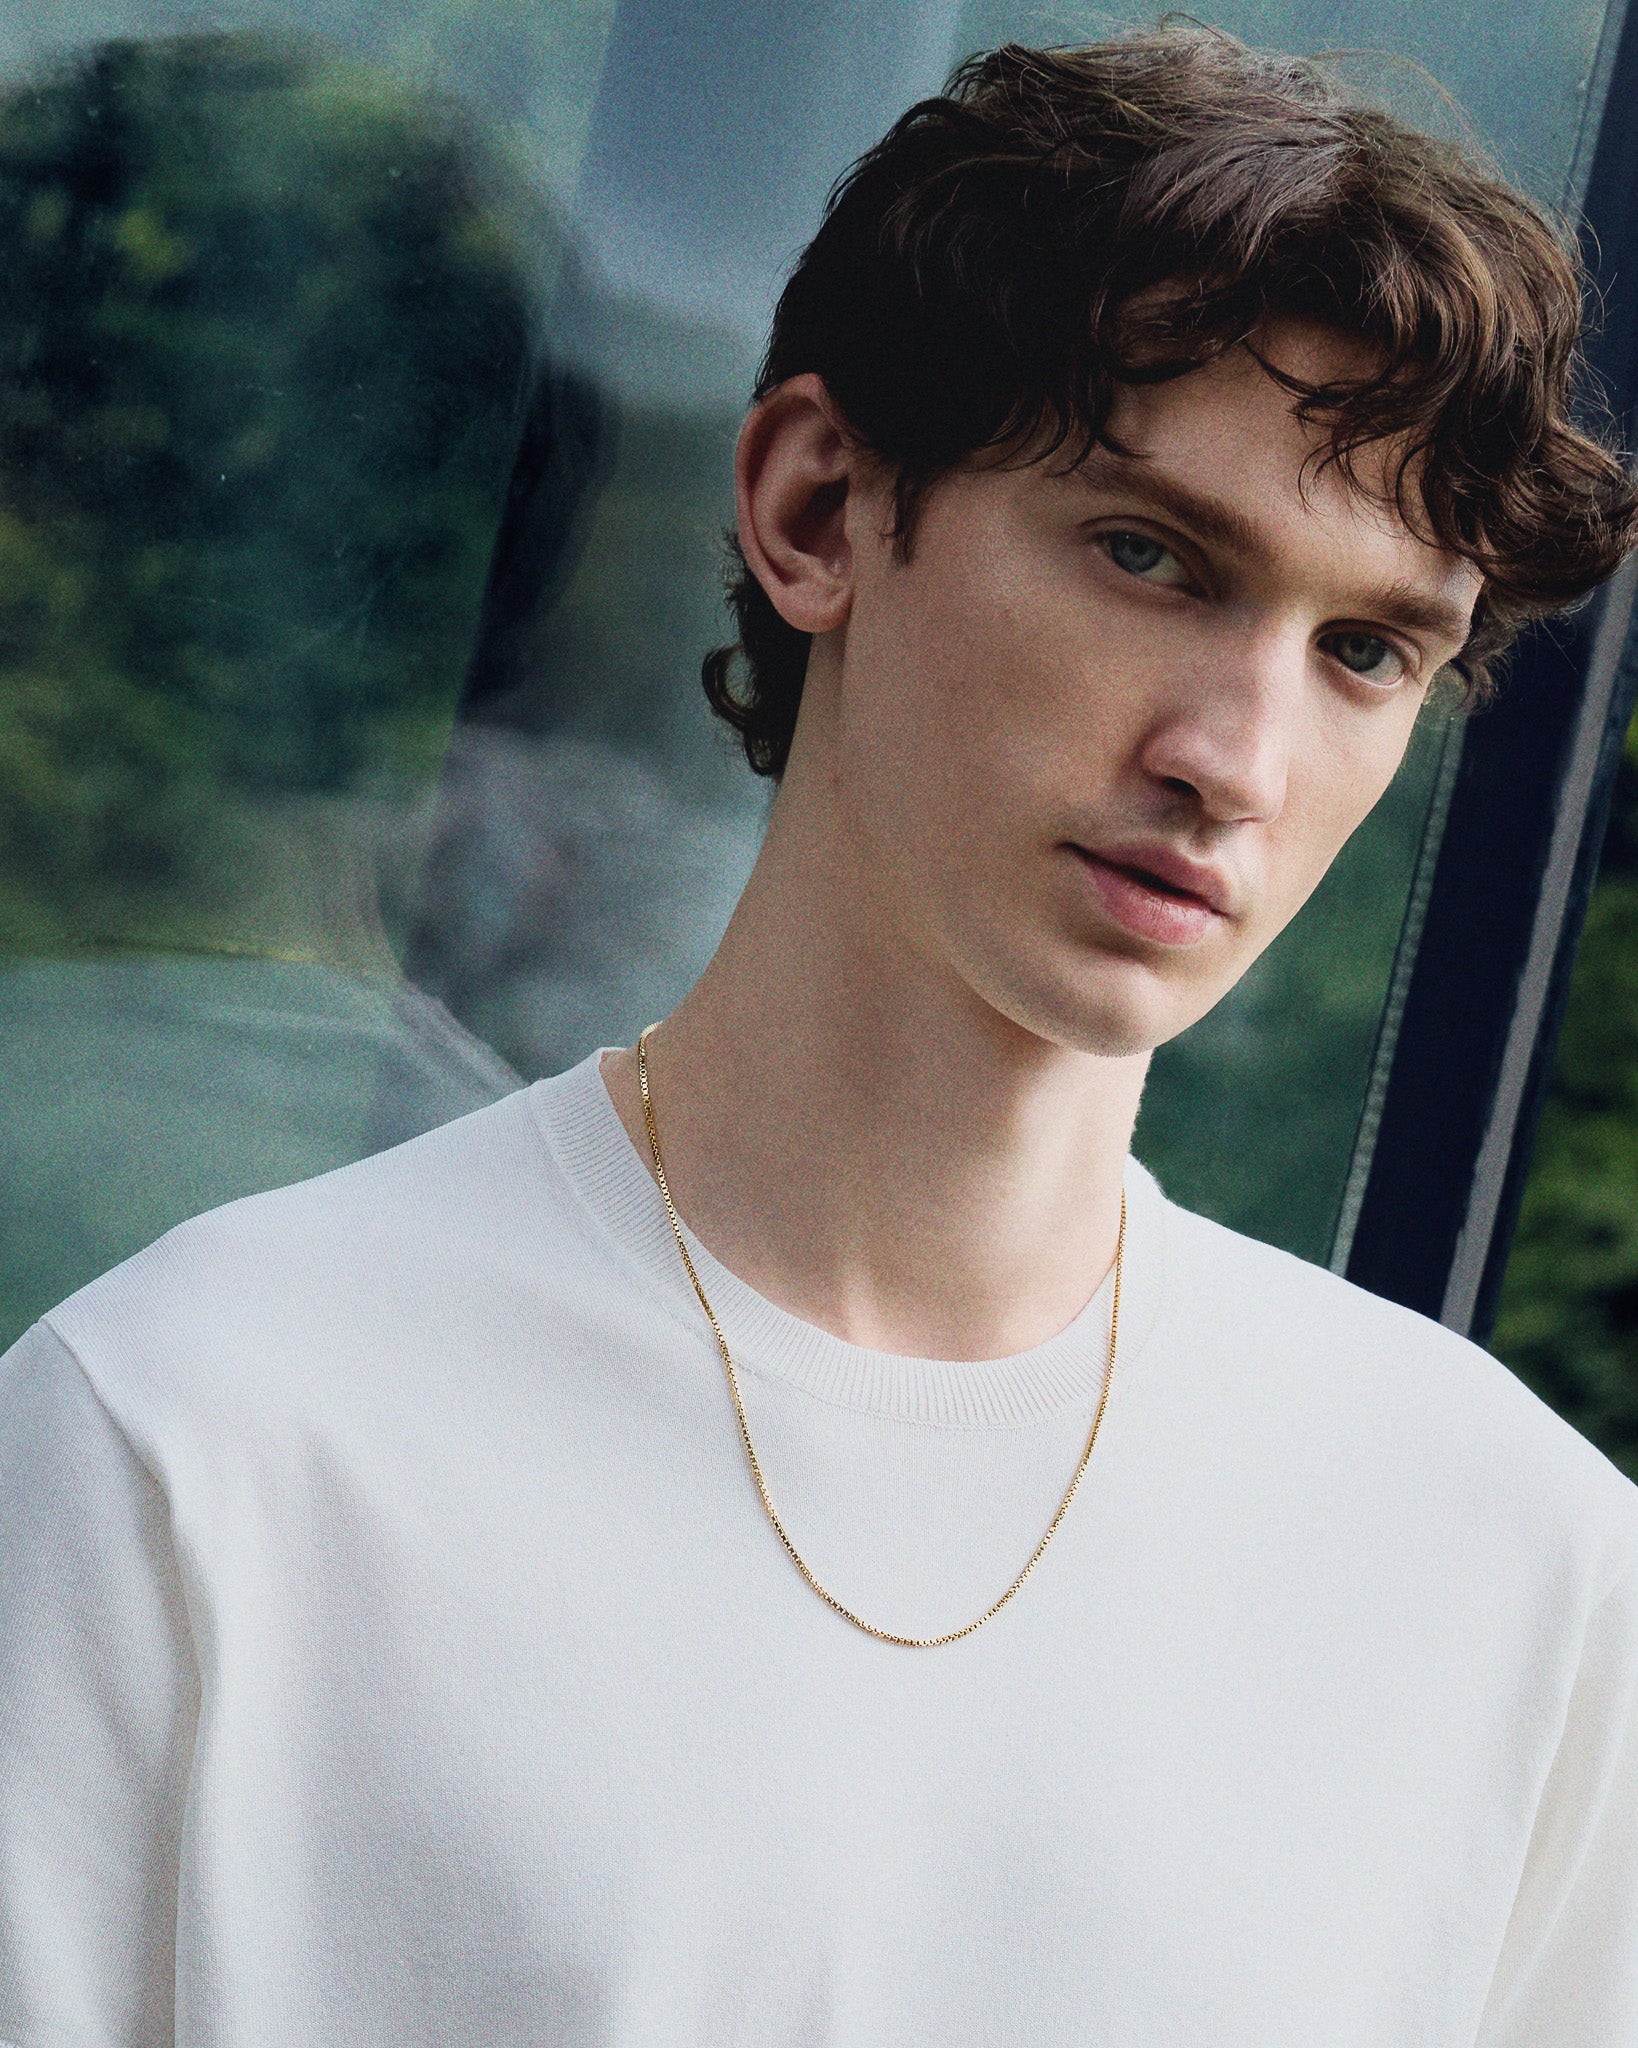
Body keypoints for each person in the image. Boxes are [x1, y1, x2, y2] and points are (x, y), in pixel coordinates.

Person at [3, 28, 1637, 2044]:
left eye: (1364, 648)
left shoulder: (1512, 1570)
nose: (1235, 757)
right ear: (814, 506)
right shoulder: (199, 1437)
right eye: (1149, 554)